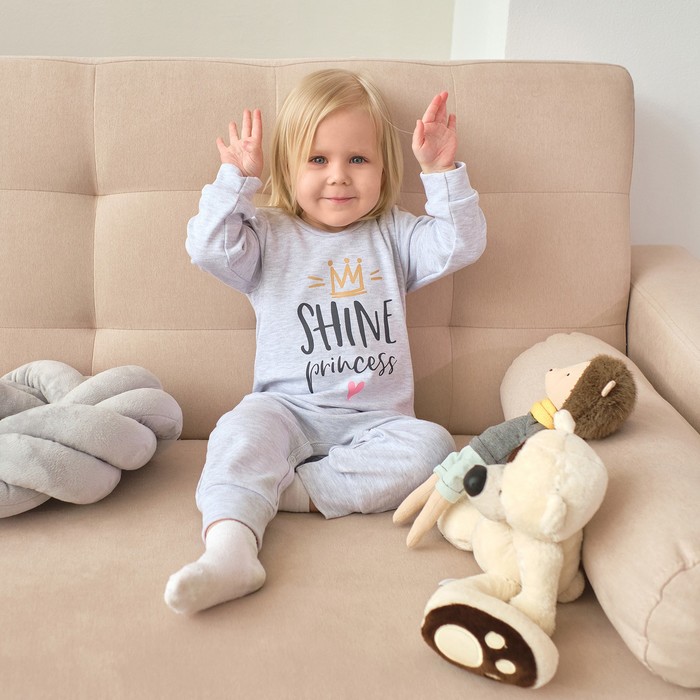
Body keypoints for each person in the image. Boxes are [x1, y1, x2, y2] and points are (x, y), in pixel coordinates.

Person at [165, 69, 487, 614]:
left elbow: (461, 243)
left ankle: (285, 493)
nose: (338, 176)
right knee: (240, 430)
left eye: (358, 159)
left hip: (378, 421)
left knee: (434, 447)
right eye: (318, 159)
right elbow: (208, 248)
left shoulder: (394, 234)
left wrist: (440, 172)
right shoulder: (266, 235)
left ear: (383, 170)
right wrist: (236, 181)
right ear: (288, 168)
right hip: (286, 408)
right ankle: (229, 552)